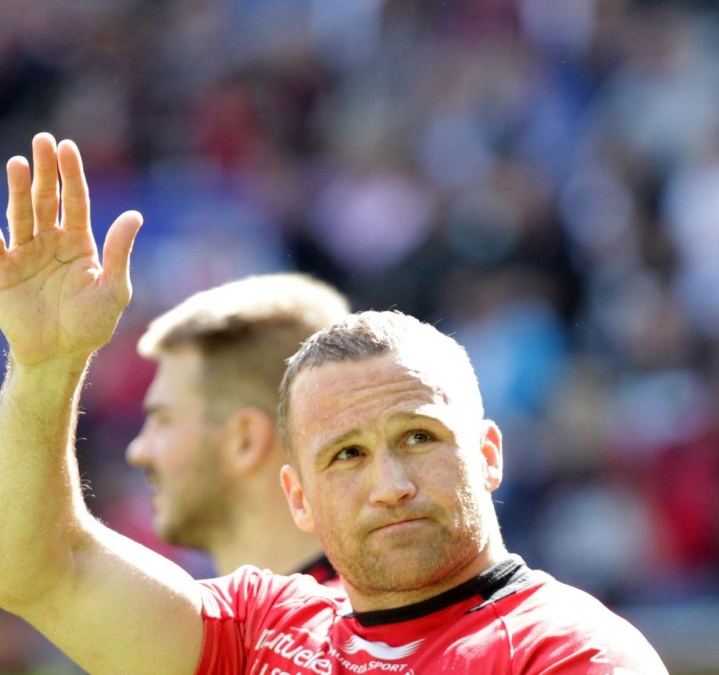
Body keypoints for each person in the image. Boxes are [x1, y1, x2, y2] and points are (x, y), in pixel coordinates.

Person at [0, 133, 667, 673]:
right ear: (298, 497)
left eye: (419, 437)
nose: (391, 486)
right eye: (347, 455)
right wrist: (43, 366)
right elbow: (38, 566)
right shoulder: (258, 627)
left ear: (488, 454)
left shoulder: (569, 653)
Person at [125, 272, 350, 579]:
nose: (138, 451)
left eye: (164, 420)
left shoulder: (342, 623)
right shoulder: (223, 620)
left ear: (244, 440)